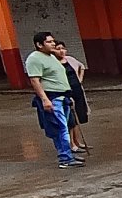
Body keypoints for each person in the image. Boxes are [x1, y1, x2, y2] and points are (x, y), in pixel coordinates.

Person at [25, 31, 82, 168]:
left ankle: (67, 154)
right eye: (49, 42)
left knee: (65, 127)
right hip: (53, 97)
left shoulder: (51, 56)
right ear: (39, 45)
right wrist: (45, 99)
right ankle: (65, 158)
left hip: (63, 96)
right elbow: (35, 80)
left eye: (53, 41)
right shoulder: (34, 58)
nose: (53, 44)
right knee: (60, 128)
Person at [55, 41, 90, 153]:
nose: (61, 51)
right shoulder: (54, 63)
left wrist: (80, 79)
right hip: (66, 92)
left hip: (77, 90)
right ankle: (71, 144)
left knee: (78, 117)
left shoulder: (69, 59)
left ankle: (77, 141)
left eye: (63, 48)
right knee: (70, 120)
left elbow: (81, 66)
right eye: (58, 49)